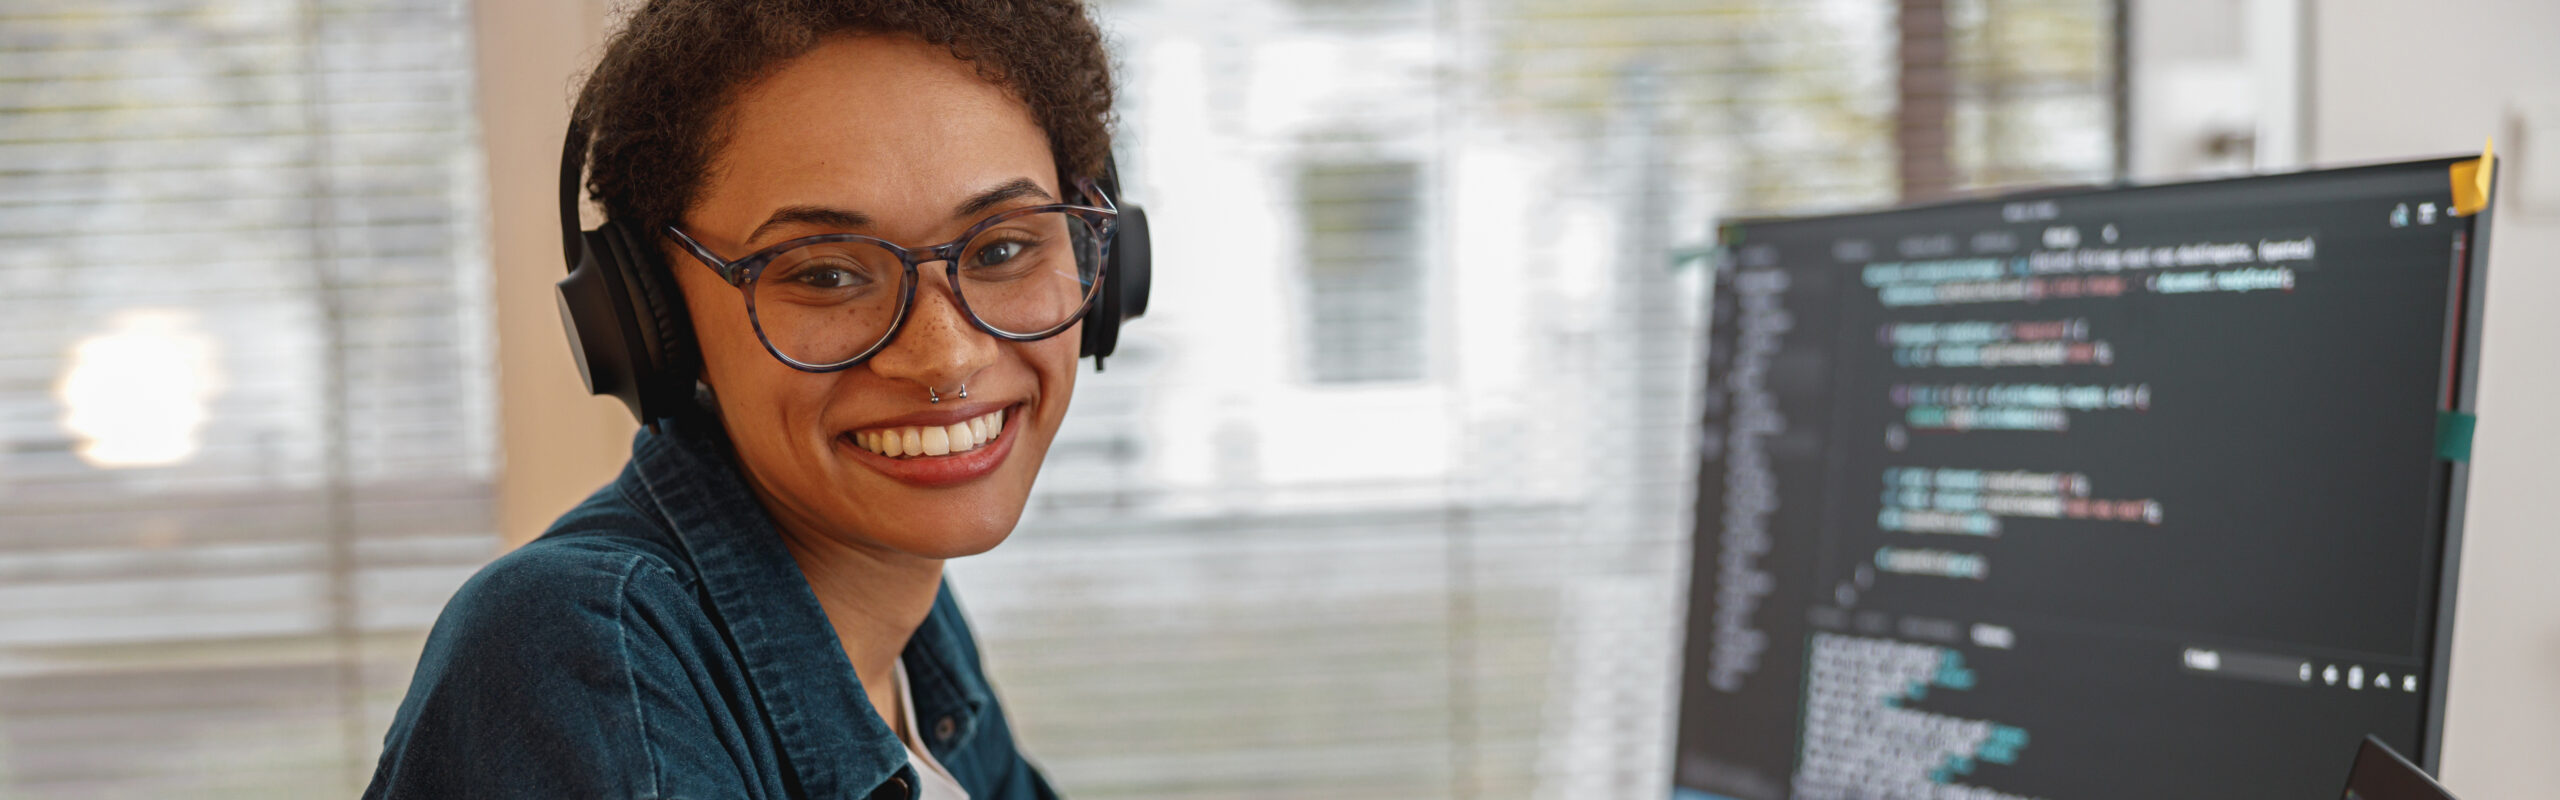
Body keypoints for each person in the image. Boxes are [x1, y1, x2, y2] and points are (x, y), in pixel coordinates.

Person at [365, 1, 1124, 797]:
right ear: (651, 319)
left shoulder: (903, 620)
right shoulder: (581, 648)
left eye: (1003, 247)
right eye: (826, 273)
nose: (946, 355)